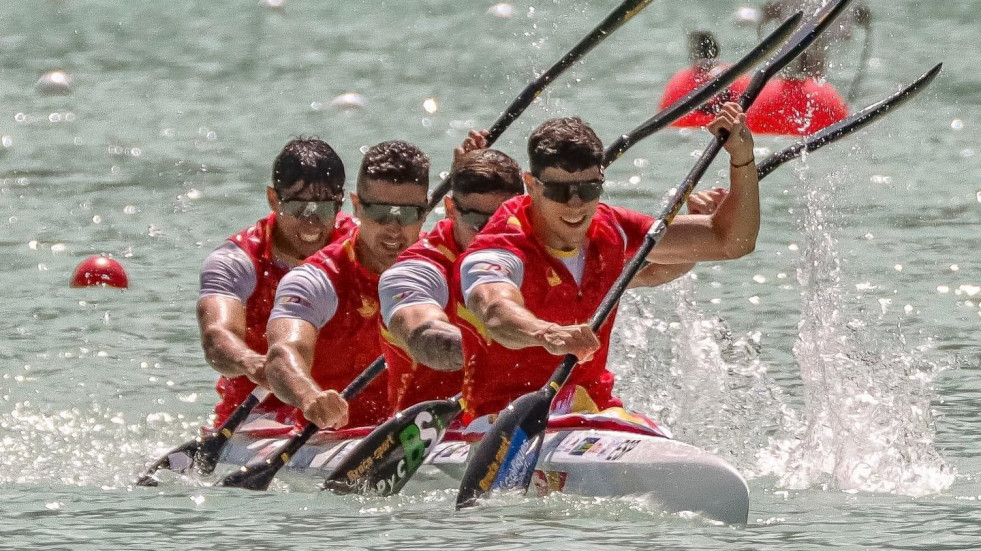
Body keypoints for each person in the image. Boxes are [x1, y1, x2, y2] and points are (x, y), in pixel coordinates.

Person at [454, 104, 759, 422]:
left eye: (588, 189)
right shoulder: (500, 246)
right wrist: (547, 334)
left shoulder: (612, 227)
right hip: (503, 416)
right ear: (532, 185)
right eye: (559, 191)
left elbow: (731, 242)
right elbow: (494, 310)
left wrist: (741, 158)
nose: (575, 205)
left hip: (593, 409)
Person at [263, 140, 430, 429]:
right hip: (336, 434)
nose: (393, 228)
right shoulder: (316, 279)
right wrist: (309, 396)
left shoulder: (442, 265)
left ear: (424, 212)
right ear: (356, 207)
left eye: (406, 215)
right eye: (379, 213)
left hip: (429, 427)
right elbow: (282, 354)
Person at [197, 138, 356, 427]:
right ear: (273, 198)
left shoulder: (360, 245)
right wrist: (250, 362)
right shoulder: (236, 261)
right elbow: (216, 337)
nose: (311, 223)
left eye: (323, 209)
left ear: (341, 202)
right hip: (262, 418)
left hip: (345, 409)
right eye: (298, 208)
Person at [378, 134, 524, 412]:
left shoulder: (540, 245)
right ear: (450, 210)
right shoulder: (421, 267)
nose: (490, 233)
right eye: (475, 222)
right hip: (436, 423)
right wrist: (515, 338)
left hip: (521, 411)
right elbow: (422, 333)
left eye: (501, 219)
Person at [659, 30, 742, 128]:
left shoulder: (679, 80)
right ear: (716, 50)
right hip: (730, 127)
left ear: (693, 54)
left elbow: (665, 118)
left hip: (687, 128)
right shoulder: (737, 73)